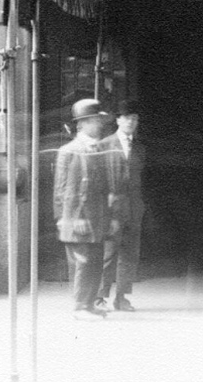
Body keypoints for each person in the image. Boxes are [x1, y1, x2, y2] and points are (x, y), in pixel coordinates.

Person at [53, 98, 119, 319]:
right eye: (95, 120)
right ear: (82, 123)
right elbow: (61, 190)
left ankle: (89, 304)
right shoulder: (69, 151)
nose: (100, 124)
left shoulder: (98, 149)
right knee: (82, 263)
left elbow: (104, 188)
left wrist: (109, 217)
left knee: (95, 262)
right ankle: (80, 307)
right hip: (77, 219)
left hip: (97, 218)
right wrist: (63, 219)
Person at [100, 111, 144, 312]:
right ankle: (99, 297)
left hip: (134, 209)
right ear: (118, 120)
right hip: (112, 209)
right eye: (127, 118)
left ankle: (121, 297)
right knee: (108, 253)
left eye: (134, 119)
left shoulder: (140, 148)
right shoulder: (105, 144)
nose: (131, 122)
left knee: (129, 254)